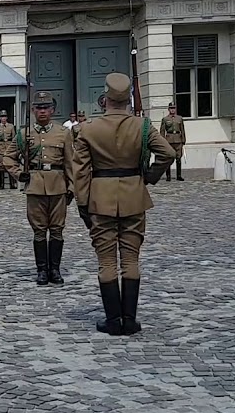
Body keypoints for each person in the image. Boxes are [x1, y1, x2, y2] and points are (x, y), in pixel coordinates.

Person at [69, 73, 176, 336]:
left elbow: (80, 172)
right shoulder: (143, 126)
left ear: (105, 99)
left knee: (106, 261)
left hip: (100, 199)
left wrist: (83, 204)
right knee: (131, 258)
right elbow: (169, 153)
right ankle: (129, 320)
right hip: (133, 196)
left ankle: (112, 320)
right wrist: (150, 176)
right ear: (128, 99)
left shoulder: (87, 129)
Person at [19, 92, 71, 286]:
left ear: (52, 110)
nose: (42, 111)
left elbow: (70, 161)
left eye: (46, 108)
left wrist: (72, 186)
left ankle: (55, 270)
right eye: (38, 108)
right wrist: (19, 173)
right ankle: (42, 270)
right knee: (39, 230)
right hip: (34, 185)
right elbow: (8, 156)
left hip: (58, 185)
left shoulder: (63, 133)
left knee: (57, 229)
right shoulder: (24, 133)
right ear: (33, 110)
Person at [0, 110, 22, 191]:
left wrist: (15, 149)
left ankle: (12, 184)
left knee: (10, 165)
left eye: (5, 117)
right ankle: (1, 185)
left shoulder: (11, 126)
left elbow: (14, 138)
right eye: (2, 117)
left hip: (9, 147)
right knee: (1, 167)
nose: (3, 118)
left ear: (7, 118)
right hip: (1, 147)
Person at [159, 103, 186, 181]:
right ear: (168, 109)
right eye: (171, 108)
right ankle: (168, 176)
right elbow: (162, 131)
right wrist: (162, 141)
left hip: (178, 140)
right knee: (169, 158)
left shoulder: (179, 118)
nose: (172, 110)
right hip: (169, 140)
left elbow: (182, 130)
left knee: (178, 158)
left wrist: (183, 140)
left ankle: (179, 175)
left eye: (174, 108)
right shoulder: (165, 119)